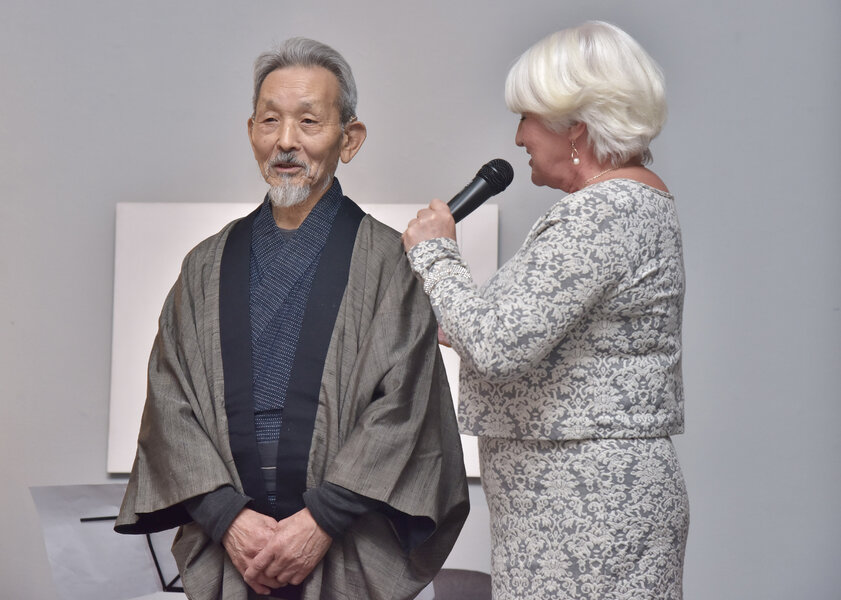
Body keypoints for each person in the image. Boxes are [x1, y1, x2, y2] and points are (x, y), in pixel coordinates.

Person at [116, 38, 469, 600]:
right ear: (250, 132)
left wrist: (322, 519)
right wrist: (227, 518)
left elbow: (405, 407)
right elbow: (170, 401)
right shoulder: (205, 264)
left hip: (347, 538)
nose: (285, 141)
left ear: (349, 139)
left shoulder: (388, 262)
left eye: (308, 121)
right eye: (270, 120)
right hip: (234, 542)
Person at [402, 21, 688, 600]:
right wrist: (456, 324)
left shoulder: (604, 213)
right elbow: (535, 333)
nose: (518, 137)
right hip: (571, 510)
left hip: (589, 514)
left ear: (574, 126)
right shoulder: (622, 205)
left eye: (527, 118)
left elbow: (499, 346)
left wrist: (435, 252)